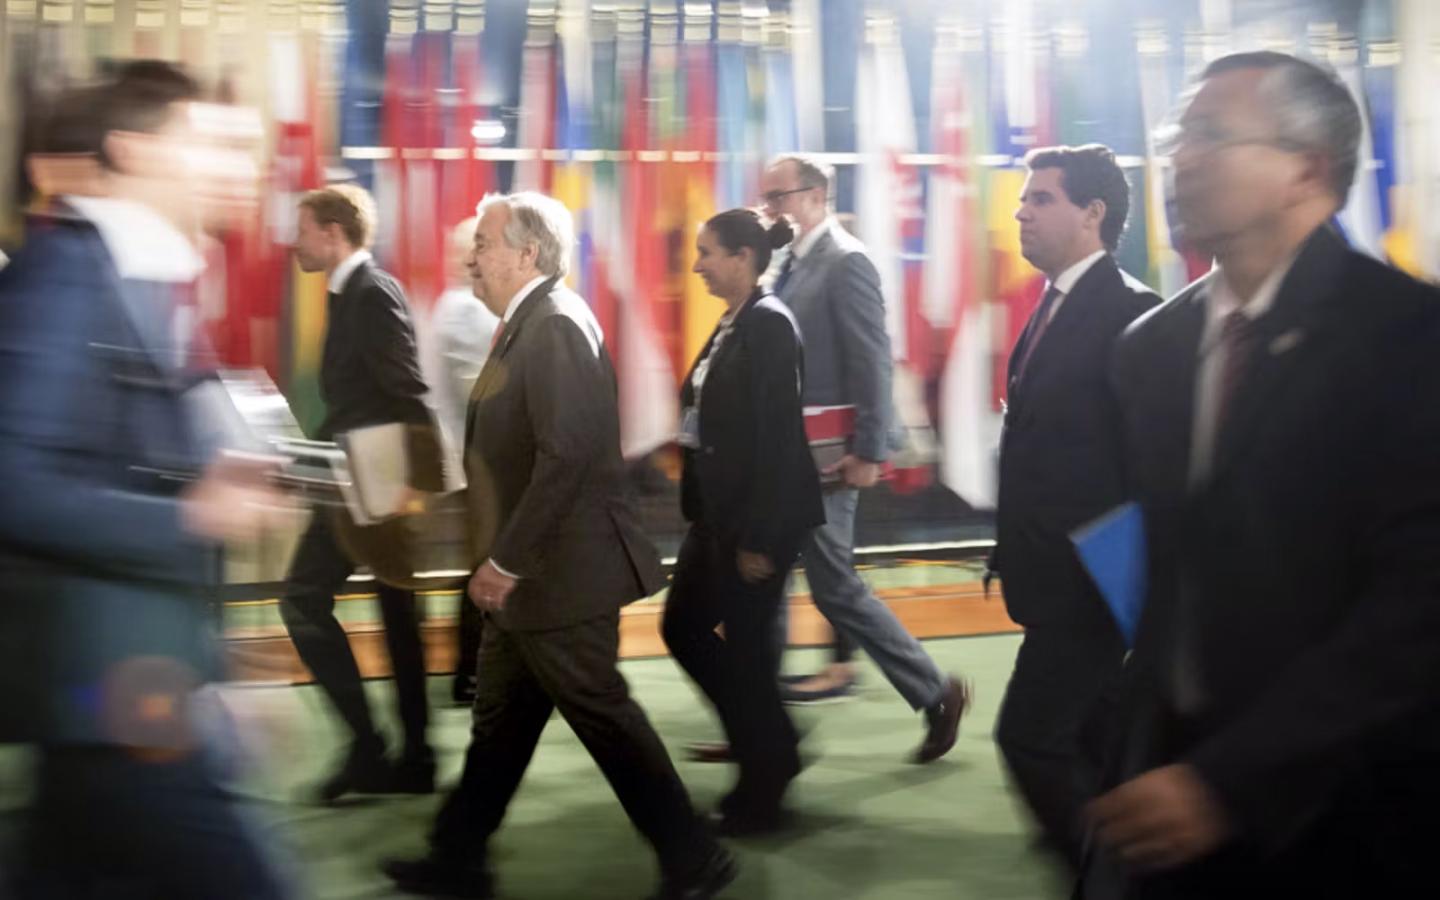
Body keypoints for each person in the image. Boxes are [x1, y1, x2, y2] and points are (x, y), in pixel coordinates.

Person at [1084, 51, 1440, 898]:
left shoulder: (1407, 338)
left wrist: (1231, 779)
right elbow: (1171, 572)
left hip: (1351, 802)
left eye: (1209, 134)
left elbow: (1418, 604)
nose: (1178, 155)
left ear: (1305, 169)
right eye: (1177, 133)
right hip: (1170, 785)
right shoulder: (1151, 351)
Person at [383, 192, 735, 900]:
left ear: (527, 253)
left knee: (601, 714)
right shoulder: (535, 321)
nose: (472, 258)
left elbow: (567, 457)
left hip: (558, 573)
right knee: (502, 725)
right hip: (541, 574)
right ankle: (458, 856)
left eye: (483, 244)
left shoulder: (552, 326)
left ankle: (695, 857)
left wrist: (505, 561)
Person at [0, 64, 293, 899]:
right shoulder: (68, 275)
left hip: (118, 687)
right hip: (112, 693)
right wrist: (193, 517)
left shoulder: (135, 279)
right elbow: (12, 482)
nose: (239, 169)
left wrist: (217, 666)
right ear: (131, 151)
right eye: (208, 145)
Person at [758, 153, 967, 763]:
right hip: (791, 455)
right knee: (767, 581)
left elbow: (871, 358)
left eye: (782, 195)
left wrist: (870, 450)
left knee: (834, 588)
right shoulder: (791, 263)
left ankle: (934, 693)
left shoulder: (846, 261)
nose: (771, 207)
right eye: (767, 197)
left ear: (818, 194)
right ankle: (759, 724)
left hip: (830, 456)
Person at [991, 144, 1158, 869]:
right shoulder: (1050, 308)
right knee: (1095, 737)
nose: (1021, 211)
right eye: (1024, 199)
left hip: (1095, 580)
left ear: (1093, 213)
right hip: (1051, 570)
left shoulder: (1133, 312)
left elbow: (1145, 465)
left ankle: (1104, 870)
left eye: (1041, 199)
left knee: (1030, 735)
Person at [662, 208, 825, 836]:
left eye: (707, 252)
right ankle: (773, 745)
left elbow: (780, 438)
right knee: (685, 628)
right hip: (717, 518)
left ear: (742, 257)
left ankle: (763, 793)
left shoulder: (769, 324)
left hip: (758, 524)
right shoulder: (736, 322)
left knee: (751, 659)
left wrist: (758, 540)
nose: (698, 264)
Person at [280, 183, 444, 803]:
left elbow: (408, 391)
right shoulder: (353, 292)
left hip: (380, 485)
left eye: (302, 229)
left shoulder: (371, 293)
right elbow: (360, 400)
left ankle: (378, 751)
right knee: (395, 616)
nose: (294, 241)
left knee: (306, 601)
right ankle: (408, 756)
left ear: (331, 231)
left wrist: (414, 488)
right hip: (362, 479)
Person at [424, 215, 500, 705]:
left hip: (475, 460)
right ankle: (471, 673)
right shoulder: (467, 309)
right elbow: (484, 393)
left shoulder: (454, 305)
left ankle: (470, 672)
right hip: (484, 462)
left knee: (483, 563)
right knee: (487, 565)